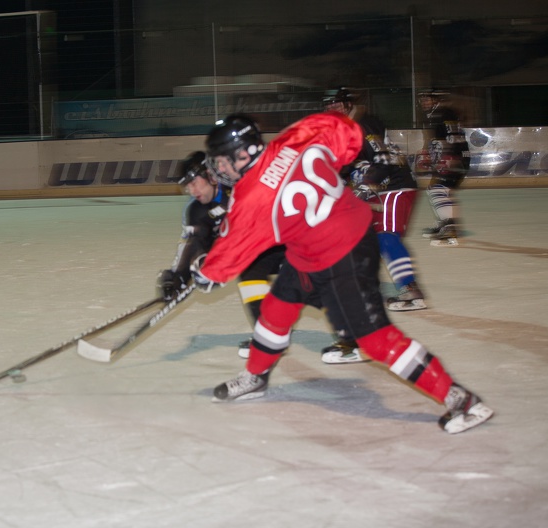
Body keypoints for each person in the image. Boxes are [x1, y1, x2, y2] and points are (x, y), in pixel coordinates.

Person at [191, 112, 493, 434]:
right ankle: (256, 376)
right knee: (276, 310)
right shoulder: (295, 138)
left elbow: (229, 254)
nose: (219, 169)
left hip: (343, 255)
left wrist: (204, 274)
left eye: (222, 161)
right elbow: (342, 129)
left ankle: (461, 399)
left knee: (375, 340)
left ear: (243, 152)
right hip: (317, 248)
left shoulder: (251, 197)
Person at [318, 87, 427, 364]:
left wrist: (368, 184)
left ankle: (410, 290)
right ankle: (399, 287)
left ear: (346, 104)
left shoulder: (360, 126)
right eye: (328, 105)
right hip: (385, 189)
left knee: (387, 237)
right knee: (375, 238)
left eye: (336, 104)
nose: (332, 109)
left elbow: (383, 158)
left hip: (394, 187)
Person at [156, 151, 284, 358]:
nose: (192, 190)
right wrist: (178, 277)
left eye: (195, 182)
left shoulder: (238, 187)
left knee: (318, 283)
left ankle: (351, 336)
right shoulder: (197, 211)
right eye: (187, 186)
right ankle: (268, 335)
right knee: (250, 273)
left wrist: (222, 262)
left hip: (286, 244)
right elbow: (193, 244)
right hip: (261, 254)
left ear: (210, 175)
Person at [417, 89, 470, 246]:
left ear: (437, 100)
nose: (424, 103)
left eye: (428, 99)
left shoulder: (445, 113)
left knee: (436, 190)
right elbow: (436, 138)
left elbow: (453, 136)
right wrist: (427, 153)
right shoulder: (436, 115)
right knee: (441, 191)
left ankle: (449, 226)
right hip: (451, 157)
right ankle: (446, 224)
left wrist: (449, 157)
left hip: (454, 158)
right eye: (423, 100)